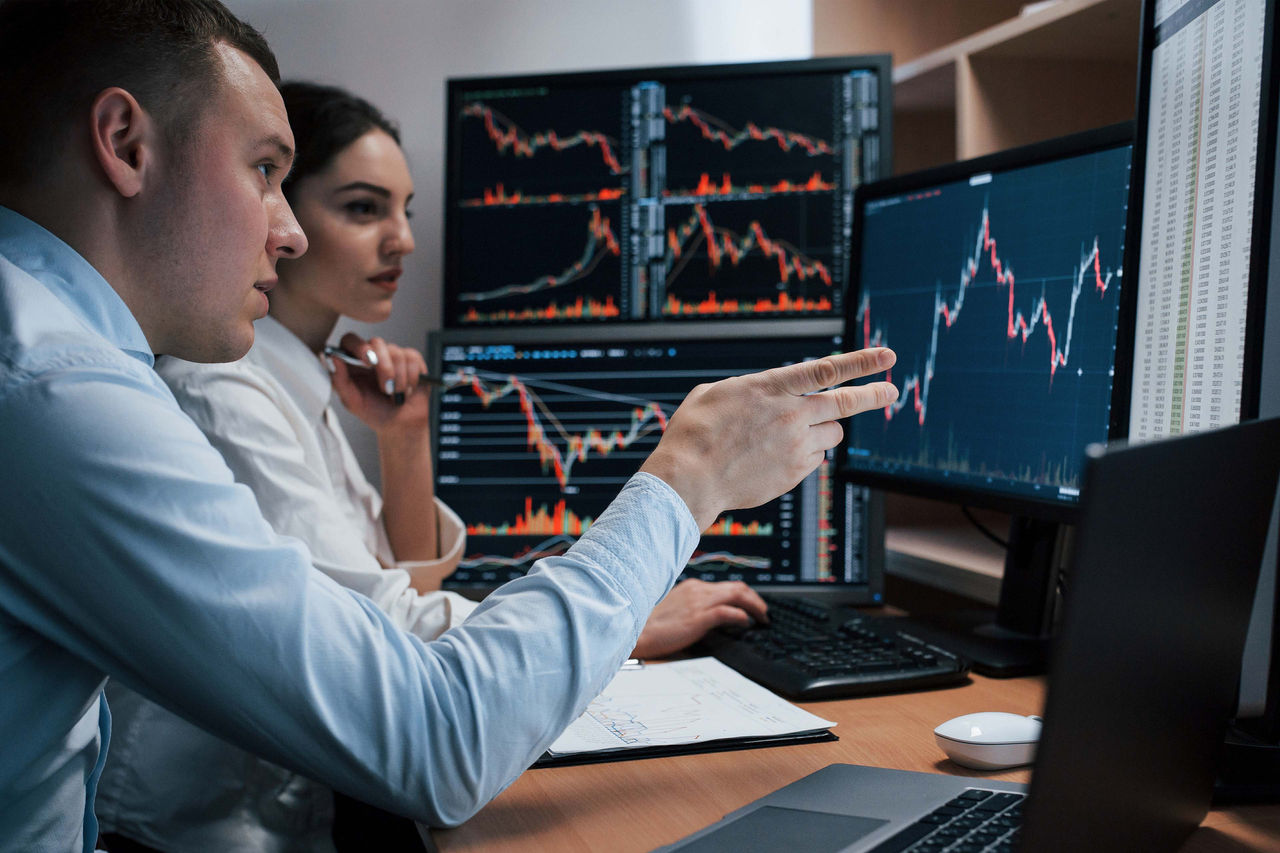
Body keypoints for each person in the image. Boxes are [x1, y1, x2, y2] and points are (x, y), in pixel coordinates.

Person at [0, 2, 899, 851]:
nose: (289, 233)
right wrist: (689, 477)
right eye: (264, 171)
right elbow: (437, 734)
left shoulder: (68, 361)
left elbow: (377, 614)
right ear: (126, 144)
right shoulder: (59, 393)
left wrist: (407, 444)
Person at [97, 80, 774, 850]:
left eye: (405, 211)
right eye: (363, 208)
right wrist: (622, 625)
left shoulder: (303, 381)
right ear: (281, 212)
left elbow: (404, 596)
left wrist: (405, 438)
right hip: (203, 833)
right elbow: (395, 632)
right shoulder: (226, 393)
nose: (403, 241)